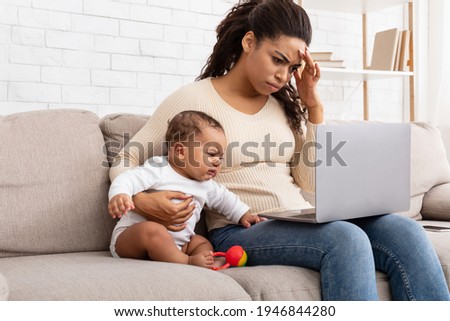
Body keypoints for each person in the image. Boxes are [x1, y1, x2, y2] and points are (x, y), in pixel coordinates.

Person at [110, 0, 450, 300]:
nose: (282, 75)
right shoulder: (193, 100)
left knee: (405, 230)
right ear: (248, 42)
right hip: (238, 229)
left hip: (298, 216)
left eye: (290, 67)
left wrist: (313, 106)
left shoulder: (283, 106)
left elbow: (310, 182)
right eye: (277, 59)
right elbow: (127, 156)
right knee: (344, 239)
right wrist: (140, 200)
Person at [108, 110, 261, 268]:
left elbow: (225, 199)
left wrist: (244, 214)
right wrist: (120, 194)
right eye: (212, 154)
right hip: (131, 240)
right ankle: (187, 261)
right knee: (152, 230)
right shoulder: (159, 168)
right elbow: (129, 178)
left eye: (221, 157)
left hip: (179, 245)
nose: (217, 162)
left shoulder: (206, 184)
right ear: (181, 152)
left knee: (201, 242)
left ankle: (206, 260)